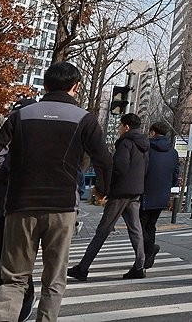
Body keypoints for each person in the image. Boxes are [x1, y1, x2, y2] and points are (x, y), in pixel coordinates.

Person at [0, 61, 113, 322]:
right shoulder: (85, 119)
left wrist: (11, 175)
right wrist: (102, 190)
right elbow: (104, 160)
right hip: (62, 207)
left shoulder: (20, 116)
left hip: (20, 205)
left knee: (13, 278)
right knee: (54, 278)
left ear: (45, 86)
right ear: (76, 87)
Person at [68, 112, 149, 281]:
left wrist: (105, 187)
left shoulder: (126, 143)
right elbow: (146, 168)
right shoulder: (144, 145)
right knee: (135, 228)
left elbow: (119, 167)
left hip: (120, 192)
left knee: (103, 230)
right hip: (135, 191)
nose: (119, 129)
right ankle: (140, 265)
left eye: (120, 126)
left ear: (126, 126)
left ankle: (83, 268)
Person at [0, 99, 37, 322]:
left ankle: (24, 300)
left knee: (17, 263)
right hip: (2, 211)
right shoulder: (5, 143)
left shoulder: (41, 143)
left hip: (26, 211)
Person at [141, 120, 178, 270]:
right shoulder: (173, 152)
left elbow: (141, 170)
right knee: (151, 225)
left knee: (139, 226)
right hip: (162, 194)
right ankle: (148, 256)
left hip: (145, 192)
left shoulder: (146, 148)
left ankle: (150, 250)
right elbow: (175, 175)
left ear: (153, 132)